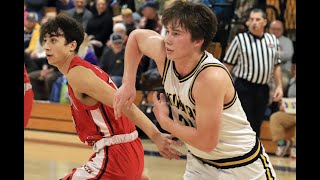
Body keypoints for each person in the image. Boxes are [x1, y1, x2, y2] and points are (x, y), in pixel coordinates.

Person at [113, 1, 276, 179]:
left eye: (176, 34)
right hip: (200, 163)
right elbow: (136, 37)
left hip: (241, 166)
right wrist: (128, 83)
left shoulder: (210, 77)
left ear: (198, 41)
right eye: (168, 31)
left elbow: (207, 142)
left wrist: (165, 122)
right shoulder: (165, 52)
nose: (167, 39)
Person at [40, 14, 181, 180]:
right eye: (46, 40)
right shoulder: (83, 70)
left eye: (54, 40)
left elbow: (124, 104)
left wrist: (155, 135)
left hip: (116, 155)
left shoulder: (77, 74)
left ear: (72, 45)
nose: (47, 47)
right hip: (124, 151)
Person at [222, 8, 283, 137]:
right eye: (251, 19)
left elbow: (277, 66)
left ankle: (253, 155)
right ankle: (240, 154)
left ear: (265, 22)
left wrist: (279, 86)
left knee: (257, 124)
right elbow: (227, 66)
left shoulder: (273, 40)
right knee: (244, 123)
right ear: (248, 23)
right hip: (244, 87)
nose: (254, 22)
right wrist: (221, 87)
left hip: (263, 88)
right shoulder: (240, 39)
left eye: (258, 19)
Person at [270, 63, 296, 159]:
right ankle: (281, 143)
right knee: (275, 117)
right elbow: (284, 98)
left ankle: (295, 146)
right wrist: (282, 105)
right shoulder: (290, 83)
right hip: (290, 113)